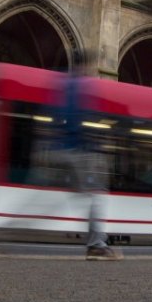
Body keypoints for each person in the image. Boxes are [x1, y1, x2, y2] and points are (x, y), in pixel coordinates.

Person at [59, 49, 122, 261]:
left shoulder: (64, 85)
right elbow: (83, 120)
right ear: (84, 65)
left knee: (41, 199)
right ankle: (96, 245)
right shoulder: (81, 86)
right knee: (97, 194)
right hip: (76, 151)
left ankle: (3, 233)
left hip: (59, 150)